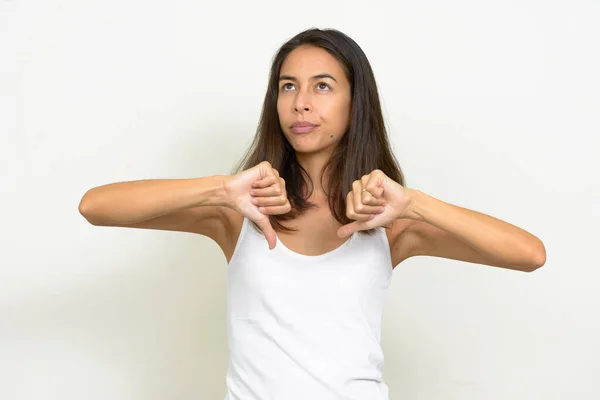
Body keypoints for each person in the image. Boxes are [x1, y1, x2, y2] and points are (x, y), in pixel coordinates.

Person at [79, 28, 546, 400]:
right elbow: (95, 206)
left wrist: (414, 203)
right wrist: (222, 189)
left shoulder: (390, 224)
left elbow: (529, 254)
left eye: (322, 86)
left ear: (354, 101)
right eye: (288, 86)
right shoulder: (239, 212)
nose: (301, 102)